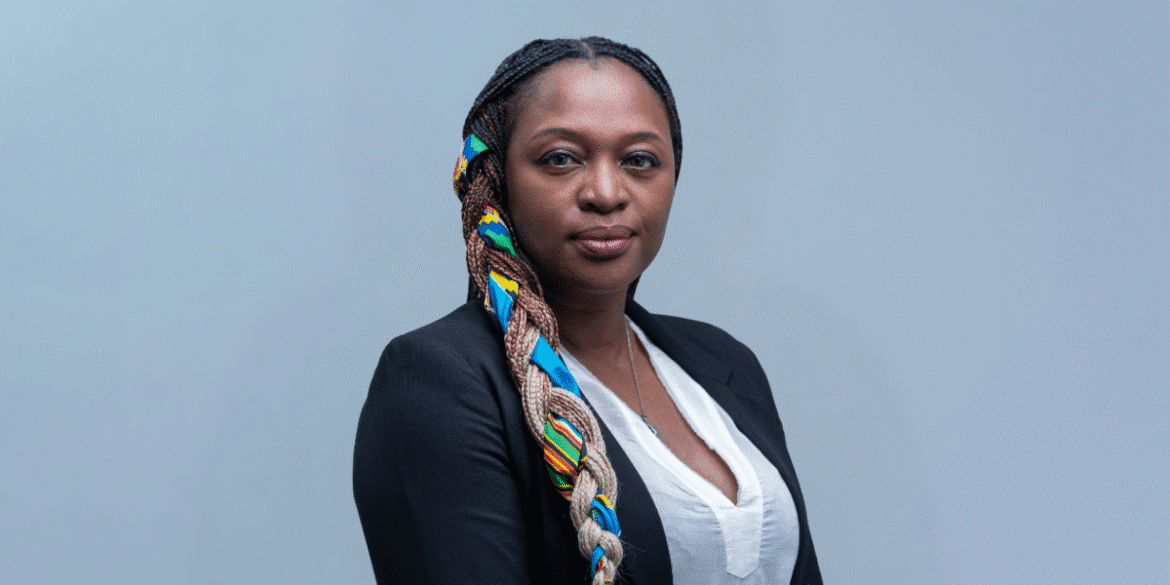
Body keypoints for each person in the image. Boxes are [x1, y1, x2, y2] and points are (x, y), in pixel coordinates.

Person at [353, 37, 821, 585]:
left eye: (640, 160)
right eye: (561, 159)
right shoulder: (439, 381)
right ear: (497, 180)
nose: (605, 192)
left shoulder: (723, 363)